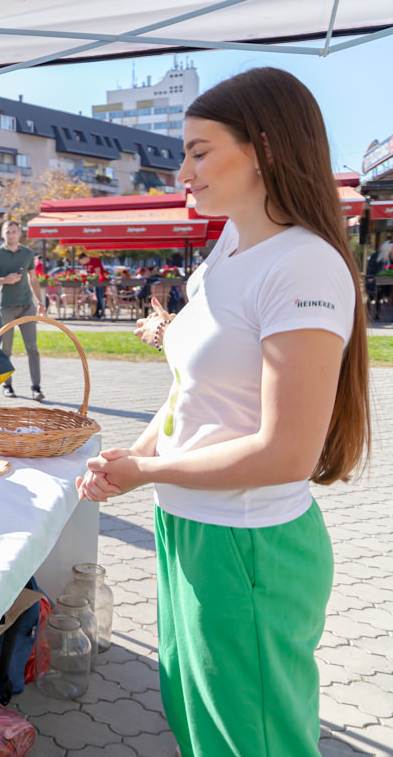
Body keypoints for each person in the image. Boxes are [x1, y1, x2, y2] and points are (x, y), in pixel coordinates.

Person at [78, 67, 369, 757]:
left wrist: (147, 471)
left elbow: (285, 453)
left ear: (265, 149)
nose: (182, 170)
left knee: (254, 741)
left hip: (247, 544)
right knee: (202, 728)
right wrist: (135, 457)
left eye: (199, 150)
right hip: (189, 525)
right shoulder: (231, 248)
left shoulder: (302, 265)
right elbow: (190, 393)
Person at [0, 219, 47, 401]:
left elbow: (33, 278)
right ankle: (7, 385)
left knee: (32, 348)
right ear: (2, 234)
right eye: (7, 231)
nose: (11, 234)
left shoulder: (27, 253)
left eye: (14, 231)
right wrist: (5, 280)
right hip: (6, 307)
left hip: (27, 306)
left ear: (20, 233)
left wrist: (40, 301)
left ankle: (36, 387)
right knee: (6, 350)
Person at [77, 252, 106, 317]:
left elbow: (97, 272)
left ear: (84, 258)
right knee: (91, 297)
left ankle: (100, 311)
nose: (82, 263)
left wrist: (90, 275)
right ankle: (94, 312)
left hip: (99, 282)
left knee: (99, 297)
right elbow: (84, 275)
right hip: (90, 284)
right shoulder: (84, 265)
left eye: (81, 261)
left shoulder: (95, 261)